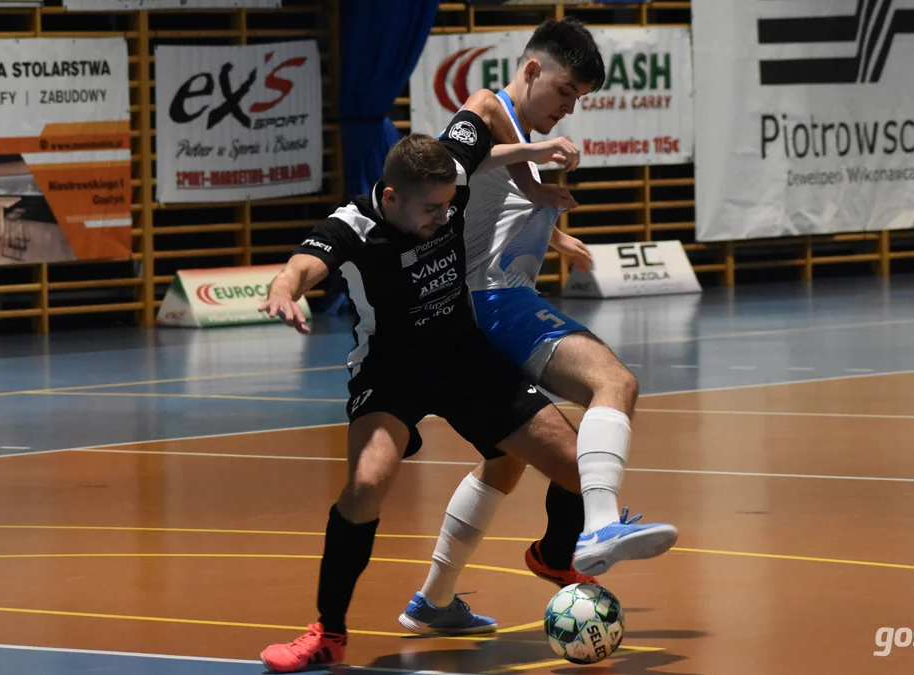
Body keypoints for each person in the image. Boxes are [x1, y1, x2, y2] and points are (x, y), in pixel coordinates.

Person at [254, 92, 664, 671]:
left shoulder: (447, 179)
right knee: (368, 484)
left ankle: (551, 554)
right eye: (431, 211)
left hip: (464, 359)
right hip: (390, 371)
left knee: (579, 468)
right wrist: (281, 290)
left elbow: (487, 122)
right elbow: (302, 267)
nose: (444, 219)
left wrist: (540, 173)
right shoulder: (353, 225)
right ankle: (328, 633)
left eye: (450, 206)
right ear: (391, 197)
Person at [398, 18, 678, 637]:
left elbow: (481, 204)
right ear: (531, 71)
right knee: (615, 382)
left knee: (505, 460)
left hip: (473, 308)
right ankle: (595, 528)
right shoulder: (482, 110)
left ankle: (433, 601)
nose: (569, 109)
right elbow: (448, 170)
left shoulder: (517, 128)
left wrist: (552, 230)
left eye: (580, 99)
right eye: (566, 91)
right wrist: (533, 157)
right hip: (491, 299)